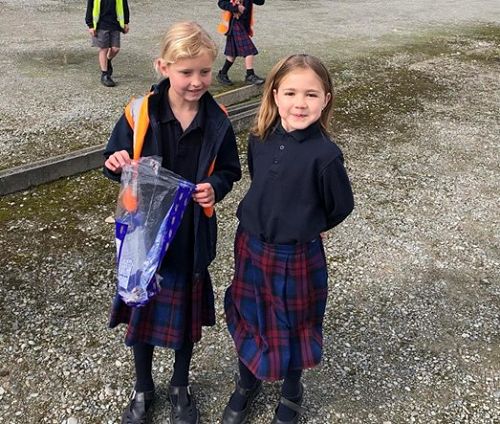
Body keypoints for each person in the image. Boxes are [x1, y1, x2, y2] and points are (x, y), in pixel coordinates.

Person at [103, 21, 242, 424]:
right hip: (144, 236)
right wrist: (115, 163)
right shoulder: (138, 113)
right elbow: (113, 160)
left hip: (189, 236)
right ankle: (142, 387)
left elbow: (230, 171)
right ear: (163, 67)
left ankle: (180, 385)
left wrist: (215, 188)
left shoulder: (217, 119)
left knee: (183, 323)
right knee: (142, 315)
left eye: (205, 71)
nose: (196, 81)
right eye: (186, 72)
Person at [222, 54, 354, 424]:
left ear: (325, 100)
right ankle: (247, 379)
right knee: (250, 313)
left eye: (311, 94)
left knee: (295, 322)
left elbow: (341, 206)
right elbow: (258, 179)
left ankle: (292, 389)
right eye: (291, 93)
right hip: (251, 245)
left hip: (296, 256)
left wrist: (309, 223)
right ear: (275, 94)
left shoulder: (326, 155)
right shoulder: (259, 137)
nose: (300, 103)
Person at [216, 0, 266, 86]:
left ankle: (222, 74)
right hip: (234, 23)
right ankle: (250, 75)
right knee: (249, 49)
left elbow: (260, 2)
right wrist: (236, 7)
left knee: (232, 54)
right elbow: (221, 3)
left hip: (243, 24)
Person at [85, 0, 130, 87]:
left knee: (115, 49)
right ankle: (105, 74)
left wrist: (126, 22)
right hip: (100, 25)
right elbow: (90, 7)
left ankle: (107, 60)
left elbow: (124, 6)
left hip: (115, 24)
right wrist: (90, 25)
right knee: (104, 48)